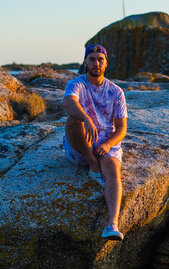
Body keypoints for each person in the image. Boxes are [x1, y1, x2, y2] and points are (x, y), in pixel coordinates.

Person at [62, 44, 127, 240]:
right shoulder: (76, 84)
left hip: (106, 143)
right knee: (74, 119)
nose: (96, 63)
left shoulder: (116, 92)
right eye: (92, 59)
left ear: (106, 63)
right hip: (81, 144)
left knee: (113, 172)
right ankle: (93, 165)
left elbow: (122, 128)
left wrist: (107, 145)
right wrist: (87, 119)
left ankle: (112, 225)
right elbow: (69, 103)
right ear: (85, 62)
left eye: (100, 59)